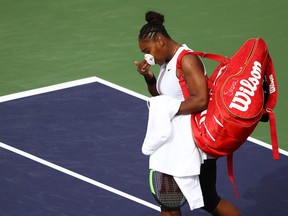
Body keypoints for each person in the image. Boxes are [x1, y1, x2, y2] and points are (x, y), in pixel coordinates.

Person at [134, 11, 241, 216]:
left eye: (147, 50)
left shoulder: (187, 60)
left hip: (195, 144)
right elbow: (163, 97)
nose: (147, 56)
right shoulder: (167, 64)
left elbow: (201, 99)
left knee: (205, 200)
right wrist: (149, 78)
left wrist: (168, 109)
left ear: (160, 40)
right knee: (174, 203)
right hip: (178, 143)